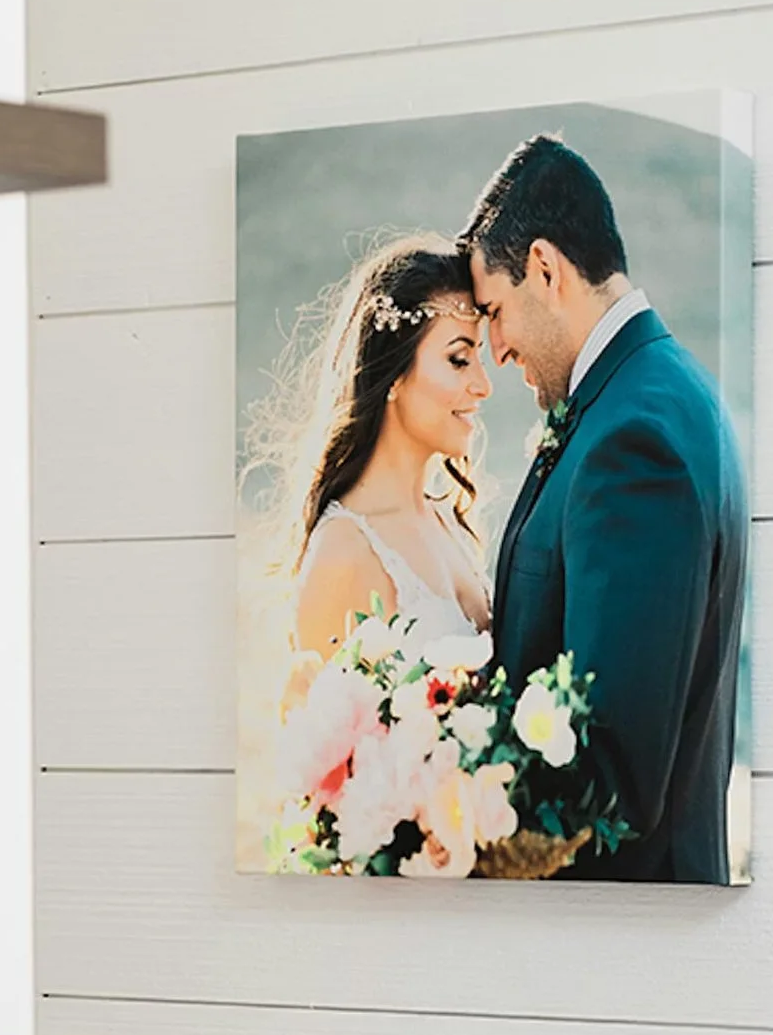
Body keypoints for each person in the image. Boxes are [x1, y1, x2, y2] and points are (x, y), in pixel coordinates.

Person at [465, 134, 748, 883]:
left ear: (546, 269)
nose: (494, 347)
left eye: (495, 311)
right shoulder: (658, 392)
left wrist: (447, 805)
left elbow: (611, 770)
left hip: (619, 926)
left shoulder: (633, 440)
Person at [275, 235, 495, 673]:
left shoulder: (445, 522)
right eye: (458, 359)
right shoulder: (344, 552)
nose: (483, 386)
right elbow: (324, 735)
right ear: (393, 373)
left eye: (478, 358)